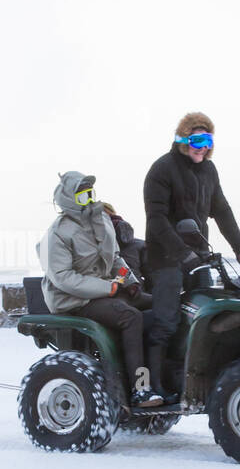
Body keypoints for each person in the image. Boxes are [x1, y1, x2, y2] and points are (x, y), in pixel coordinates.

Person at [142, 112, 240, 402]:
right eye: (196, 140)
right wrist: (182, 254)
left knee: (206, 316)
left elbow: (222, 211)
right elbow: (157, 221)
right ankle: (152, 386)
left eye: (208, 140)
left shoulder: (209, 170)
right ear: (182, 139)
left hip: (199, 257)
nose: (202, 147)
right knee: (166, 322)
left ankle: (195, 379)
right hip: (166, 258)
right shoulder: (162, 169)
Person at [37, 172, 164, 409]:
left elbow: (115, 257)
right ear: (68, 199)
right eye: (82, 195)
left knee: (163, 306)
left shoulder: (101, 220)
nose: (88, 198)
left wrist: (131, 281)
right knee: (130, 317)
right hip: (75, 299)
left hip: (109, 290)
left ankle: (164, 379)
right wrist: (109, 287)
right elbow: (63, 278)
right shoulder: (57, 234)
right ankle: (140, 388)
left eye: (90, 193)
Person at [100, 202, 147, 290]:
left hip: (108, 295)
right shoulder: (140, 245)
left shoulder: (90, 246)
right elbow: (156, 278)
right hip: (138, 295)